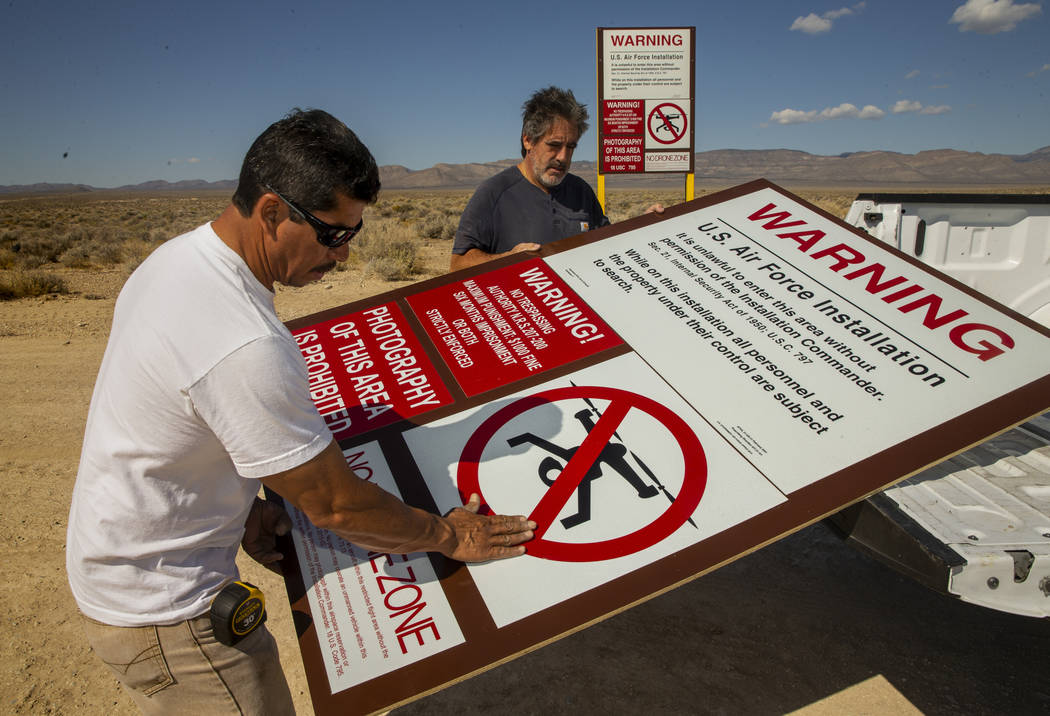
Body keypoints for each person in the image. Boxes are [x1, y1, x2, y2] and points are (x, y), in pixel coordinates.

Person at [66, 108, 535, 715]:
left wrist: (235, 512)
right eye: (333, 234)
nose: (343, 255)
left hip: (122, 566)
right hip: (168, 612)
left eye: (355, 235)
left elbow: (179, 422)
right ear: (270, 211)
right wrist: (446, 534)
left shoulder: (177, 260)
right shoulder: (242, 342)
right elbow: (336, 502)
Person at [450, 86, 662, 271]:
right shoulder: (494, 193)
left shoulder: (581, 191)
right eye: (554, 145)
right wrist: (506, 260)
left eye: (570, 147)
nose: (563, 157)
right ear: (528, 140)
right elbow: (457, 264)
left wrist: (640, 227)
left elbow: (605, 245)